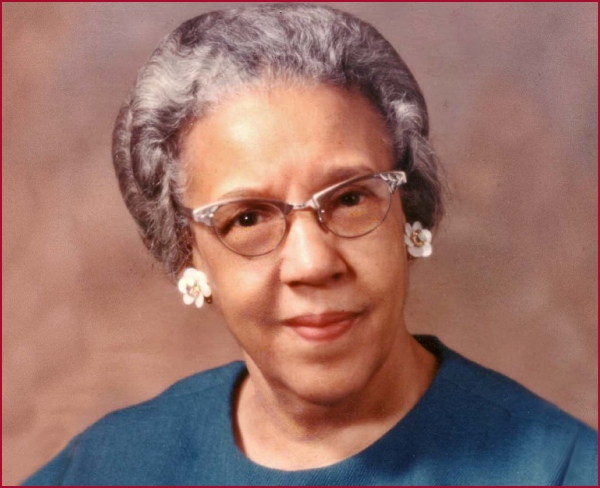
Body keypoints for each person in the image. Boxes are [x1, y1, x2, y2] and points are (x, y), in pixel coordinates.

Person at [23, 3, 597, 485]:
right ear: (186, 255)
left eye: (350, 198)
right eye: (248, 218)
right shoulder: (108, 465)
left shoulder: (563, 469)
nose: (313, 263)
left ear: (409, 212)